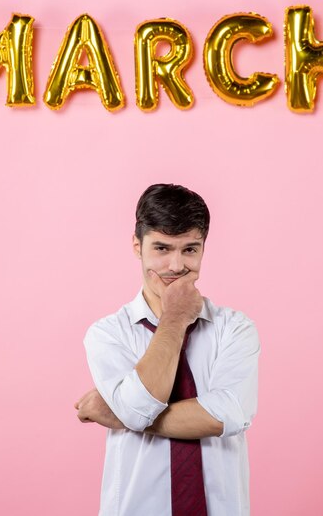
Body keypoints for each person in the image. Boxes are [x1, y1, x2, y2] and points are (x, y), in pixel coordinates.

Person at [75, 183, 260, 516]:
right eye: (162, 248)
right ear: (137, 246)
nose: (176, 265)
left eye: (190, 249)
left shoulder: (235, 328)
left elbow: (226, 415)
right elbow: (137, 407)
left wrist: (123, 415)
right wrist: (174, 319)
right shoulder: (108, 334)